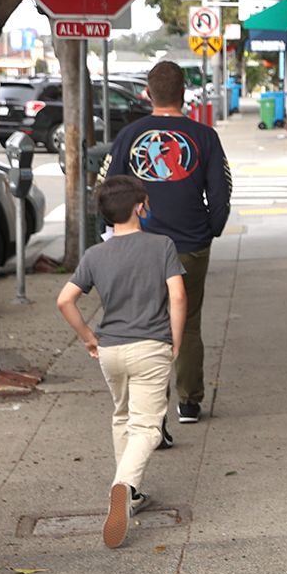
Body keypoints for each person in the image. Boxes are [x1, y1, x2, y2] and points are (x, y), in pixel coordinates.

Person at [56, 177, 186, 549]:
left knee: (122, 416)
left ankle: (130, 494)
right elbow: (177, 297)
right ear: (139, 207)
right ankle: (124, 486)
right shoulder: (161, 246)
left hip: (110, 350)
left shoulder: (95, 255)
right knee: (148, 428)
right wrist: (174, 341)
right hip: (150, 346)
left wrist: (88, 338)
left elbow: (65, 300)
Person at [102, 60, 231, 424]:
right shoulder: (205, 137)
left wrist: (112, 232)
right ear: (185, 94)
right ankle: (189, 403)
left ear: (147, 93)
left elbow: (108, 190)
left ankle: (151, 413)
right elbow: (221, 194)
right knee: (187, 323)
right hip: (190, 244)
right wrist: (210, 229)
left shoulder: (130, 135)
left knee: (146, 327)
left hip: (140, 245)